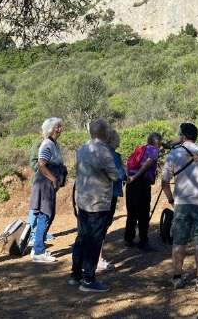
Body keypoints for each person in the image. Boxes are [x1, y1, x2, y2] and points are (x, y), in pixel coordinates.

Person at [160, 122, 198, 292]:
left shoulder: (174, 154)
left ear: (183, 136)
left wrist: (171, 199)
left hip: (181, 203)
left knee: (179, 240)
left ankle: (177, 278)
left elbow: (164, 182)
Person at [70, 118, 120, 292]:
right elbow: (114, 175)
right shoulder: (103, 152)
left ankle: (75, 274)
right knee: (94, 240)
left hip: (83, 200)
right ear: (105, 134)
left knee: (81, 238)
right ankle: (89, 280)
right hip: (98, 203)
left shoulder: (82, 148)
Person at [28, 117, 66, 263]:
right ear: (50, 129)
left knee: (48, 215)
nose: (60, 129)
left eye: (60, 126)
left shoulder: (54, 144)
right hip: (45, 183)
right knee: (45, 215)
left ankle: (37, 248)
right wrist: (53, 179)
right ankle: (38, 252)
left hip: (46, 183)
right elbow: (42, 164)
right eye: (57, 127)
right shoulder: (47, 144)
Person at [123, 132, 161, 251]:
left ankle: (128, 239)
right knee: (143, 213)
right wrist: (136, 177)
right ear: (157, 142)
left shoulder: (140, 148)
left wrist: (128, 176)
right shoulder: (154, 150)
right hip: (141, 183)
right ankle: (143, 242)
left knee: (132, 212)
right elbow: (146, 165)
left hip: (130, 182)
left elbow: (128, 163)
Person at [97, 128, 127, 272]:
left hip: (101, 193)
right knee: (103, 226)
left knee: (99, 226)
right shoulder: (112, 154)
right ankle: (98, 259)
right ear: (112, 140)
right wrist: (127, 175)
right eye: (118, 137)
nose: (120, 140)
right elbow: (118, 174)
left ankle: (94, 258)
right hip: (110, 193)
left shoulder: (100, 151)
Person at [26, 138, 55, 246]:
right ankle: (30, 234)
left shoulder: (52, 145)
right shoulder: (38, 145)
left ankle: (40, 232)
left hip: (48, 181)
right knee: (35, 208)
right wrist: (43, 171)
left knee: (44, 209)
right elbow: (33, 164)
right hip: (39, 180)